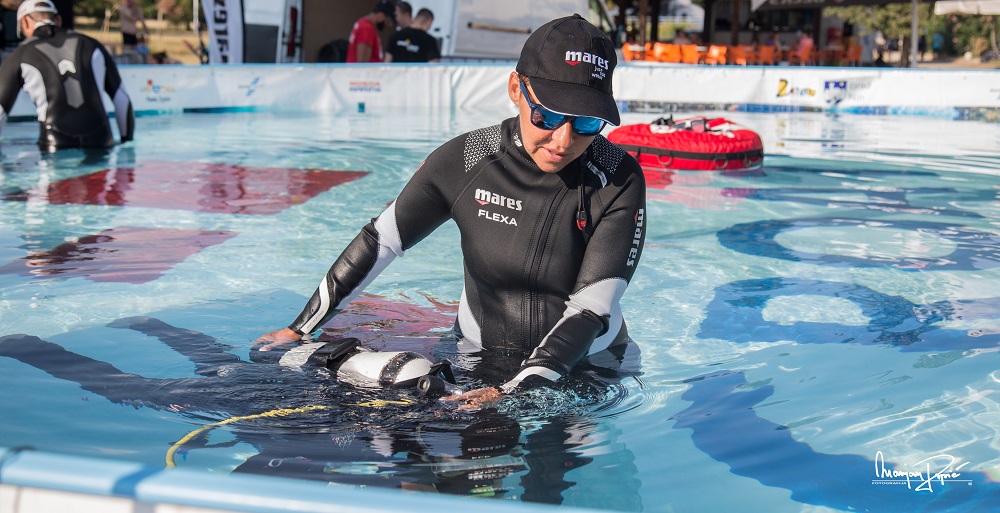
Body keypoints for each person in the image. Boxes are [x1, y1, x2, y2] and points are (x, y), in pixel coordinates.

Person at [257, 14, 646, 409]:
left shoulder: (618, 178)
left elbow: (591, 309)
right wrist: (298, 329)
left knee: (561, 466)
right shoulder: (467, 159)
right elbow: (382, 239)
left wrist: (508, 393)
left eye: (586, 122)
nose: (564, 139)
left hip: (590, 362)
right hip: (479, 357)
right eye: (547, 116)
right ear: (516, 89)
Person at [0, 0, 135, 152]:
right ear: (57, 20)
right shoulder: (91, 44)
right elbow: (122, 100)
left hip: (55, 145)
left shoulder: (21, 54)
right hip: (101, 141)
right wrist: (126, 142)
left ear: (24, 22)